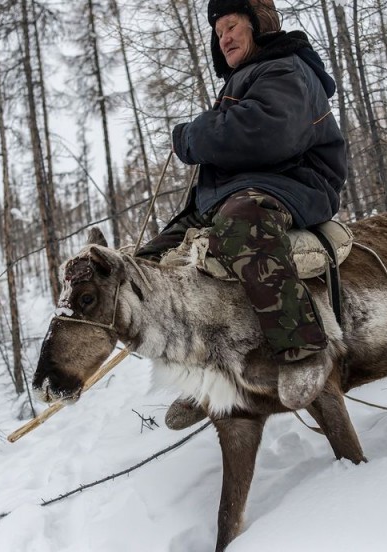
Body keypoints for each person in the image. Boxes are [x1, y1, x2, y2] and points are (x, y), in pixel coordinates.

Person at [137, 0, 347, 428]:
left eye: (231, 26)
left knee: (239, 223)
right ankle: (209, 371)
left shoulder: (286, 67)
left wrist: (193, 136)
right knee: (148, 262)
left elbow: (265, 132)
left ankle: (303, 351)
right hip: (242, 188)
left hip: (295, 182)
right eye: (218, 33)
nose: (224, 38)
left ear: (259, 25)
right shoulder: (244, 77)